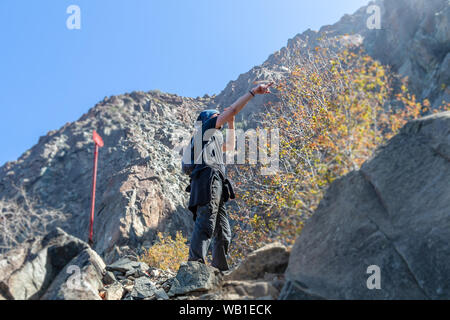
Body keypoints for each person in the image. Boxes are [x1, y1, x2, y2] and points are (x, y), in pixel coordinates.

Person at [187, 82, 274, 271]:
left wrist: (232, 121)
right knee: (207, 222)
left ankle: (219, 270)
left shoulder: (213, 137)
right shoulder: (205, 129)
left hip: (215, 182)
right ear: (210, 119)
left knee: (223, 231)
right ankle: (194, 268)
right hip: (208, 179)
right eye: (219, 117)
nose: (221, 118)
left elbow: (231, 146)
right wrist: (252, 92)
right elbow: (233, 108)